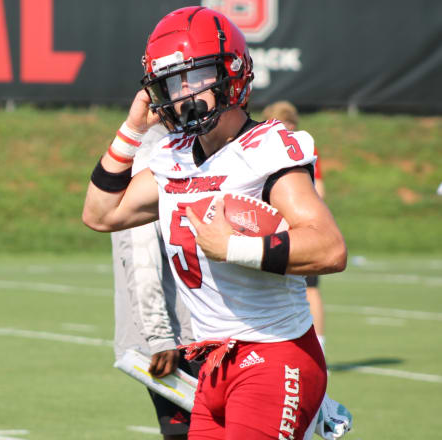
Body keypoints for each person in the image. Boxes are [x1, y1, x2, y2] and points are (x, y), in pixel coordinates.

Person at [82, 6, 347, 440]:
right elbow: (100, 213)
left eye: (196, 77)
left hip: (274, 356)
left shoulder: (265, 150)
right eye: (172, 82)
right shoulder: (174, 156)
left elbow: (330, 249)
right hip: (214, 366)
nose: (183, 93)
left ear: (232, 74)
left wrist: (234, 248)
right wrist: (132, 128)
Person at [112, 125, 198, 440]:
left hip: (207, 330)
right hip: (181, 337)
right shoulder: (155, 150)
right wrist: (160, 337)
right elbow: (140, 252)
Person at [262, 101, 327, 352]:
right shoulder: (302, 146)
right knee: (308, 289)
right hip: (302, 228)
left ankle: (295, 345)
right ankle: (315, 346)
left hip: (279, 229)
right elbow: (319, 191)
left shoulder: (265, 147)